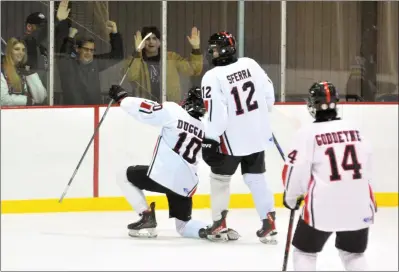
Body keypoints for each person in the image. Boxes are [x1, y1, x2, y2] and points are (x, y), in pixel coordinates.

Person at [107, 84, 239, 240]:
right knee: (183, 227)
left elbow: (145, 109)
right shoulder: (203, 128)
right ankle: (209, 230)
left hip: (163, 176)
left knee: (122, 174)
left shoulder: (174, 110)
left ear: (188, 101)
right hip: (186, 183)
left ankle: (146, 216)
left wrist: (123, 98)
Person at [282, 81, 377, 271]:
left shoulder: (307, 134)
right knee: (353, 254)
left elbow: (295, 172)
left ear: (312, 104)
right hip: (359, 204)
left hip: (323, 207)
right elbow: (368, 166)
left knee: (304, 252)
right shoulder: (356, 129)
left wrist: (291, 199)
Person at [200, 31, 277, 243]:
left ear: (224, 50)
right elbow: (269, 95)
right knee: (256, 178)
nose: (211, 52)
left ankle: (219, 223)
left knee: (219, 178)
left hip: (231, 140)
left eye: (214, 49)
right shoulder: (250, 64)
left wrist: (210, 138)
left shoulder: (212, 76)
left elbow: (217, 113)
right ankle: (269, 221)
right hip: (257, 135)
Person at [125, 26, 203, 103]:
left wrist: (196, 48)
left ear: (159, 42)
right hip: (145, 109)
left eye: (154, 38)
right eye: (147, 39)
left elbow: (195, 69)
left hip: (169, 108)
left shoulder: (171, 57)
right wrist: (137, 51)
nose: (151, 41)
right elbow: (130, 76)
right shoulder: (137, 59)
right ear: (142, 42)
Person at [57, 20, 124, 105]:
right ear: (77, 49)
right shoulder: (70, 64)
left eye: (92, 50)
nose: (89, 53)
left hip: (94, 111)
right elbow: (64, 56)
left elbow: (117, 56)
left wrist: (114, 34)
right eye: (86, 49)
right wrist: (69, 38)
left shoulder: (96, 62)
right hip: (73, 112)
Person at [1, 38, 47, 106]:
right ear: (9, 51)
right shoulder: (2, 70)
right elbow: (3, 100)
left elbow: (40, 98)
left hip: (22, 114)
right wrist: (27, 100)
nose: (21, 53)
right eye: (17, 49)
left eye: (23, 50)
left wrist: (31, 73)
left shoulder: (21, 72)